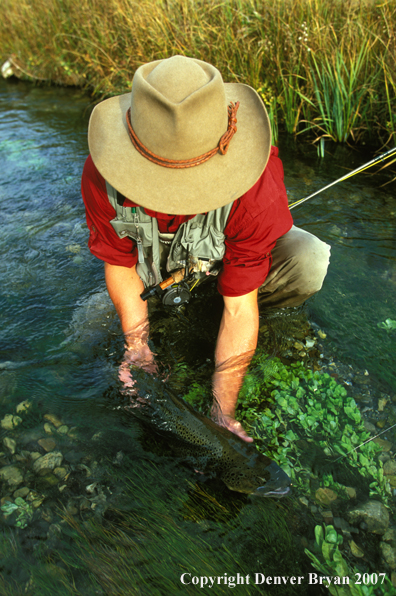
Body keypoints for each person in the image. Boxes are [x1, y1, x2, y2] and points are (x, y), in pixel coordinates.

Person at [81, 55, 330, 442]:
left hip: (227, 270)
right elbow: (118, 263)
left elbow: (239, 304)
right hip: (152, 278)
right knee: (83, 332)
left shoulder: (256, 186)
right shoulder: (102, 174)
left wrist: (222, 413)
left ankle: (215, 306)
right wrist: (138, 346)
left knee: (308, 257)